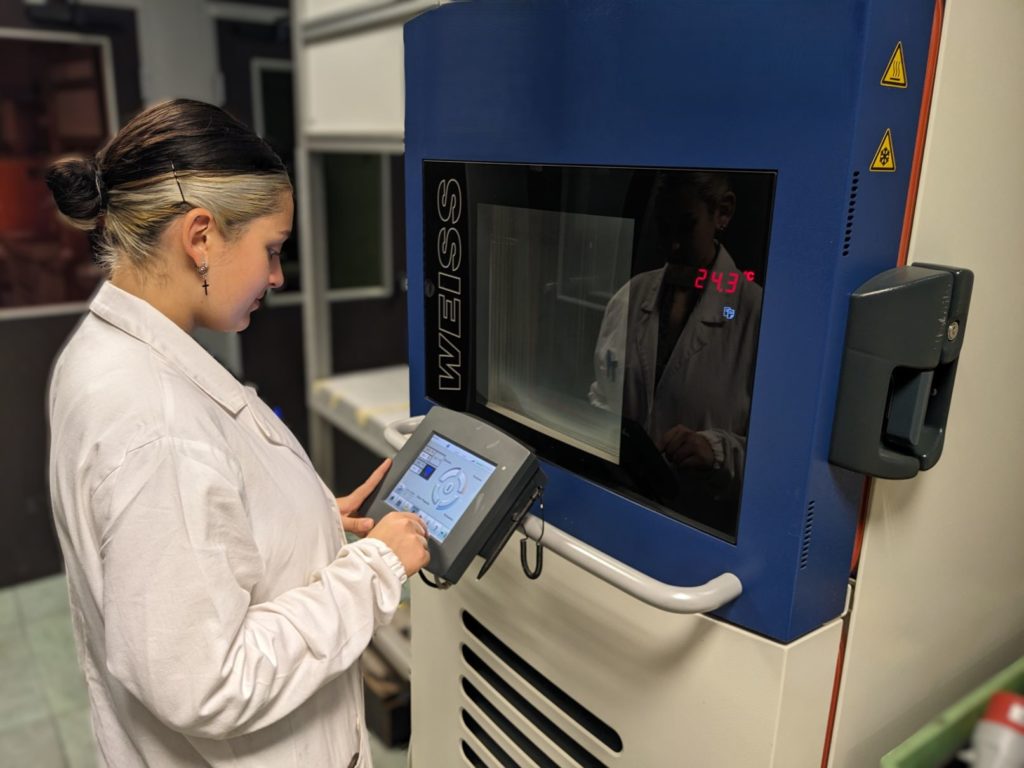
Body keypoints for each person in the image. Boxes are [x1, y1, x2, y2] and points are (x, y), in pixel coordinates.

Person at [45, 99, 428, 767]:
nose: (276, 276)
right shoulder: (156, 423)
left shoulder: (102, 352)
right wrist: (377, 568)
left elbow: (180, 548)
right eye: (271, 250)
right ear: (201, 236)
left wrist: (303, 522)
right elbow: (210, 683)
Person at [589, 172, 762, 530]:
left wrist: (715, 453)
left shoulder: (757, 315)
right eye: (664, 228)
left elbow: (781, 465)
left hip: (703, 529)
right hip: (620, 509)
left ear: (723, 212)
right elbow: (601, 395)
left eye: (685, 226)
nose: (673, 246)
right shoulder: (631, 296)